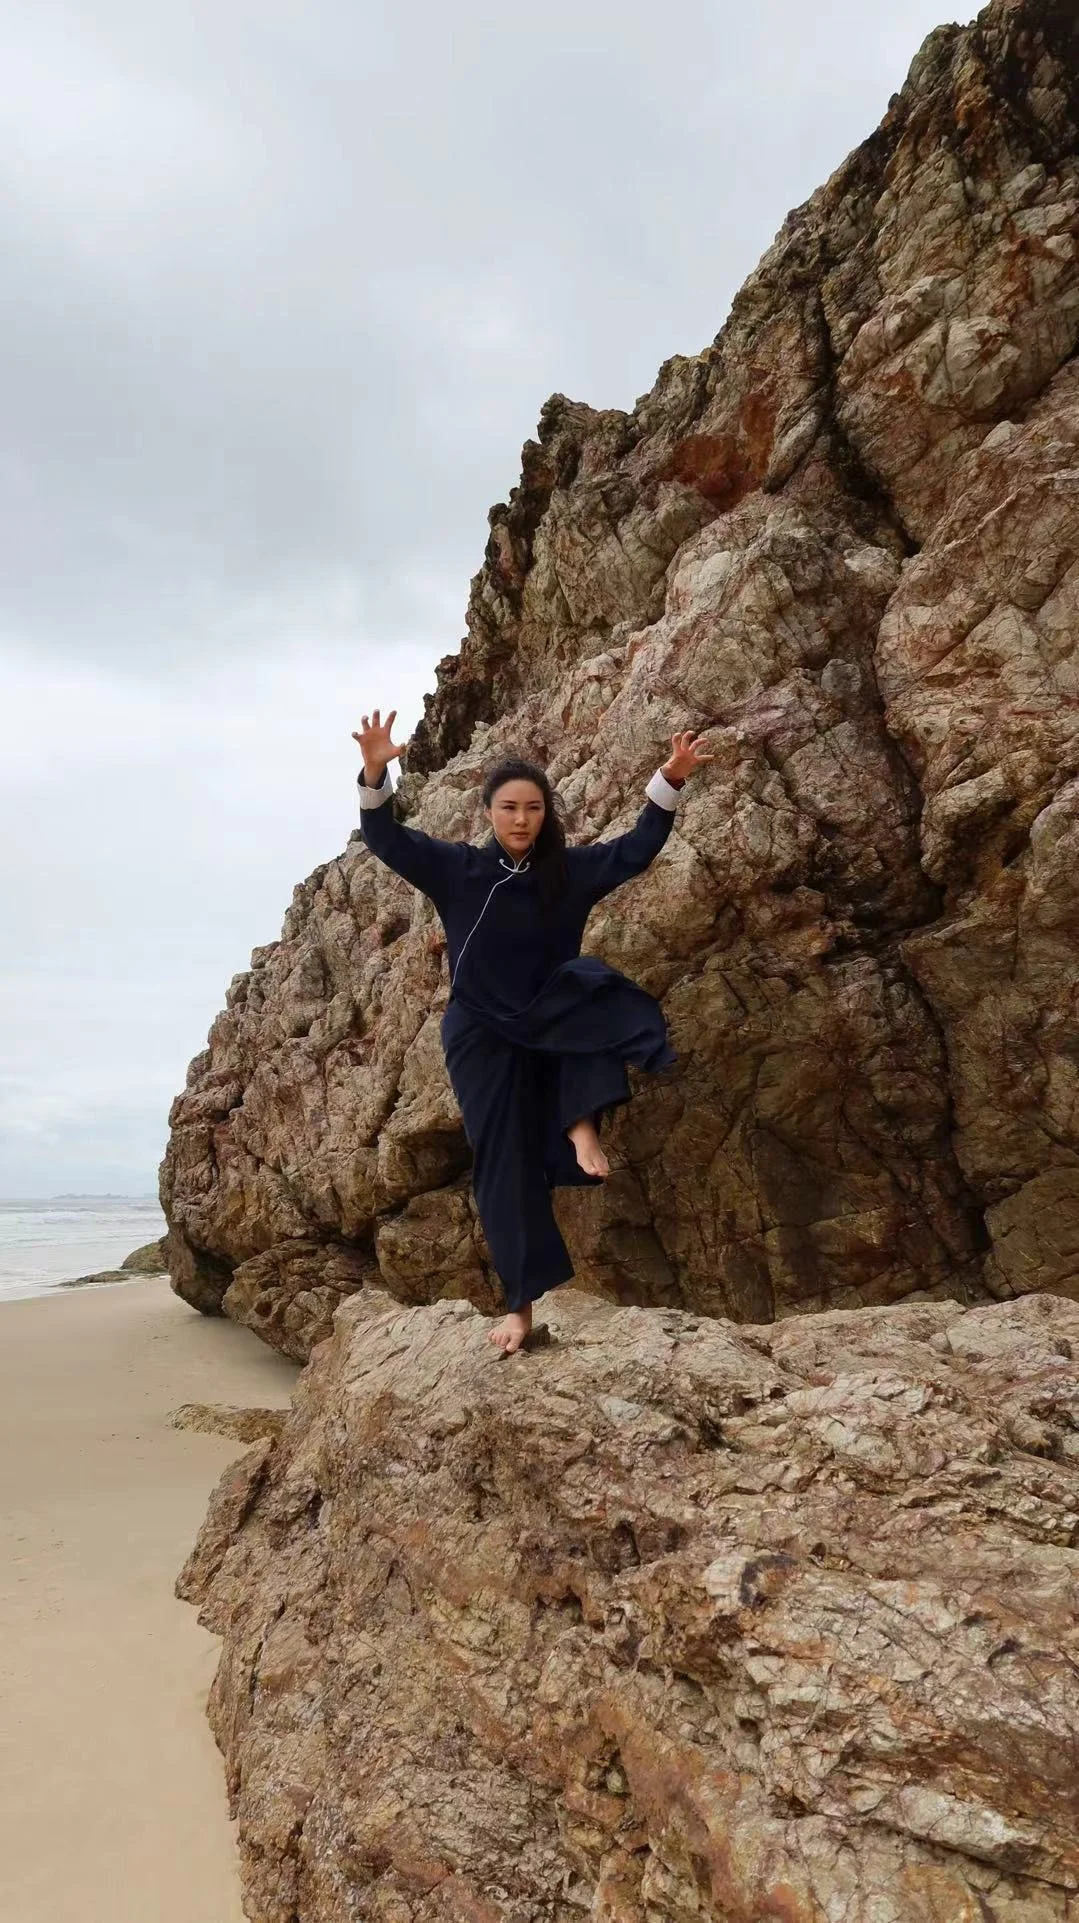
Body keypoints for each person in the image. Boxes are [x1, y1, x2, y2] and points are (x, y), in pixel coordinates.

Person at [352, 708, 713, 1353]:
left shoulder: (566, 874)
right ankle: (519, 1307)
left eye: (535, 809)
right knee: (502, 1159)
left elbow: (636, 849)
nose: (522, 820)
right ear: (489, 813)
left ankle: (580, 1126)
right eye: (510, 808)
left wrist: (670, 779)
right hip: (480, 1030)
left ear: (547, 815)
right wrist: (377, 771)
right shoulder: (459, 871)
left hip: (546, 1013)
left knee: (590, 988)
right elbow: (387, 839)